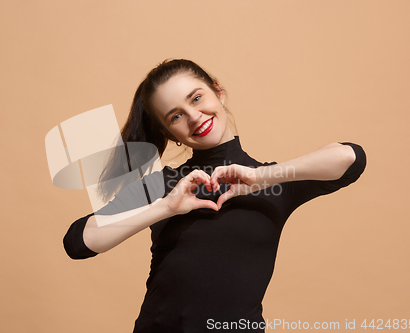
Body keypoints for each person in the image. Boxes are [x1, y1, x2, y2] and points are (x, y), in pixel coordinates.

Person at [63, 59, 367, 332]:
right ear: (169, 133)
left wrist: (260, 177)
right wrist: (166, 207)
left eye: (197, 98)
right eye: (175, 116)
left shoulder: (273, 181)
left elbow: (351, 158)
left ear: (218, 92)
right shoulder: (164, 185)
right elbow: (79, 242)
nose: (194, 116)